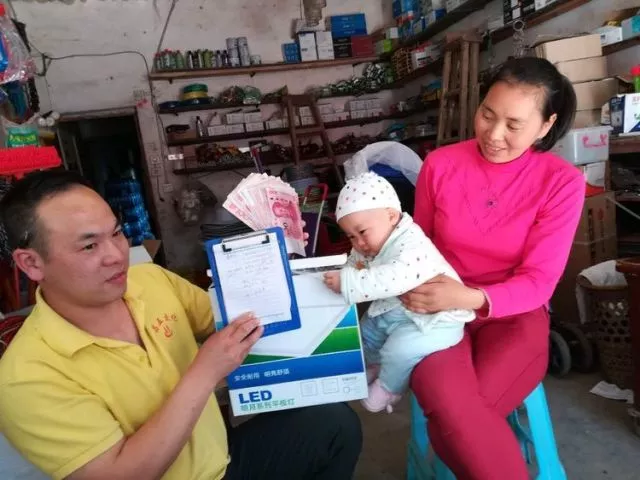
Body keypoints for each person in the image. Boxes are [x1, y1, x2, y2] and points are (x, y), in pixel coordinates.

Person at [0, 170, 362, 480]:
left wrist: (287, 265)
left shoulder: (149, 281)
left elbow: (242, 324)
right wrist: (205, 371)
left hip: (220, 462)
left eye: (116, 233)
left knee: (334, 425)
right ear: (31, 263)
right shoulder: (25, 378)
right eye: (89, 246)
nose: (116, 255)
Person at [401, 56, 586, 479]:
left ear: (545, 126)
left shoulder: (561, 182)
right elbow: (418, 247)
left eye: (513, 124)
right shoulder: (440, 164)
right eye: (487, 114)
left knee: (458, 423)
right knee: (457, 415)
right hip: (439, 313)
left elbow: (539, 280)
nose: (493, 134)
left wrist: (469, 296)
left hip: (515, 317)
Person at [323, 171, 475, 413]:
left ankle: (389, 387)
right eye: (351, 236)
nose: (358, 243)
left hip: (434, 321)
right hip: (397, 310)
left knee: (400, 350)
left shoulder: (412, 243)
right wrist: (344, 273)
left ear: (392, 216)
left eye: (362, 232)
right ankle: (373, 366)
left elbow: (392, 279)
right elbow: (356, 263)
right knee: (366, 332)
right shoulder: (370, 244)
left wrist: (348, 282)